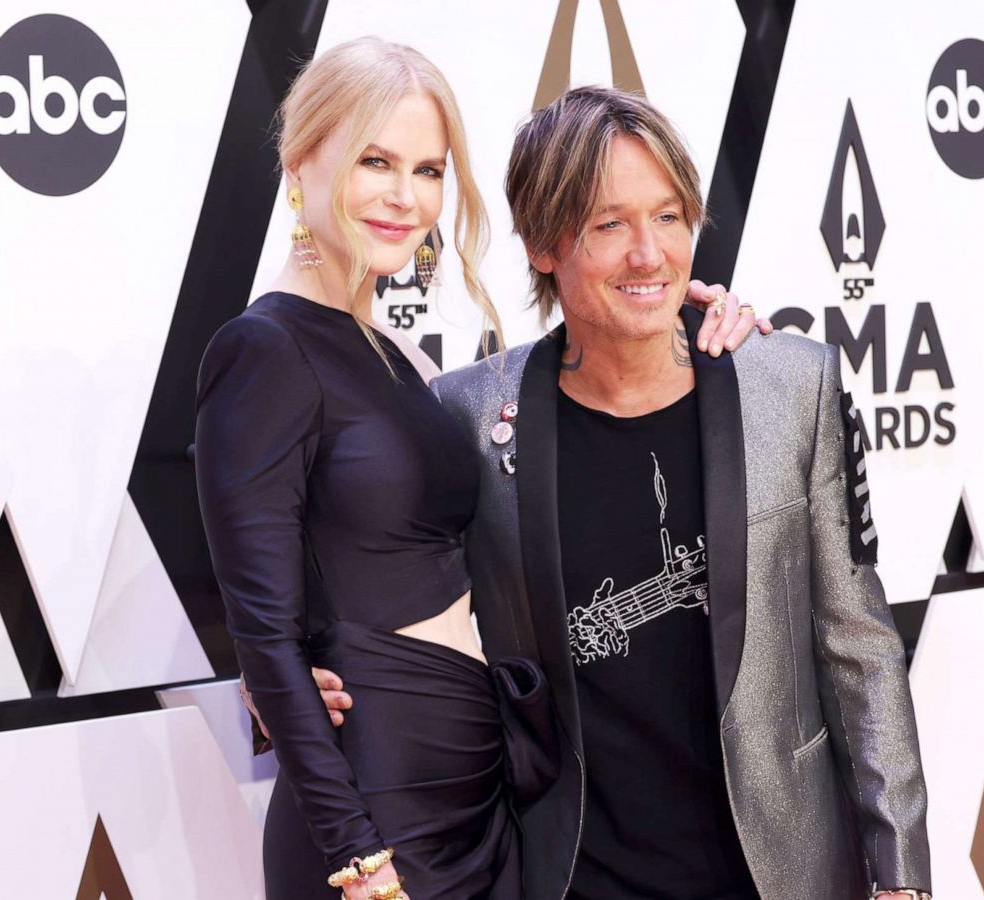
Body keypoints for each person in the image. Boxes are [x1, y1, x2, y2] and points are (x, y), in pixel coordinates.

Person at [296, 87, 933, 899]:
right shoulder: (466, 419)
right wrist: (284, 671)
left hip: (780, 871)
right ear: (541, 244)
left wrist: (901, 875)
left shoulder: (789, 387)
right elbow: (371, 583)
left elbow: (861, 648)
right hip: (571, 873)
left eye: (669, 218)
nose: (650, 254)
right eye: (609, 224)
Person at [197, 40, 765, 900]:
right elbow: (264, 632)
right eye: (373, 161)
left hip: (480, 799)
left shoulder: (401, 361)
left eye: (428, 170)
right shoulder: (262, 349)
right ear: (299, 158)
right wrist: (357, 857)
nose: (404, 196)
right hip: (381, 813)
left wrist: (660, 307)